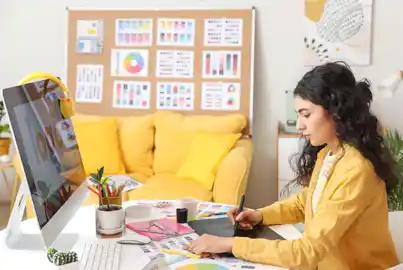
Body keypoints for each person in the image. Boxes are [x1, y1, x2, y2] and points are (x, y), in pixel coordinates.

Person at [188, 62, 400, 270]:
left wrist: (230, 244)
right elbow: (306, 202)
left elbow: (306, 252)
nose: (299, 125)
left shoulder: (356, 170)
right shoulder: (330, 154)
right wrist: (260, 215)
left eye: (306, 114)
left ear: (336, 111)